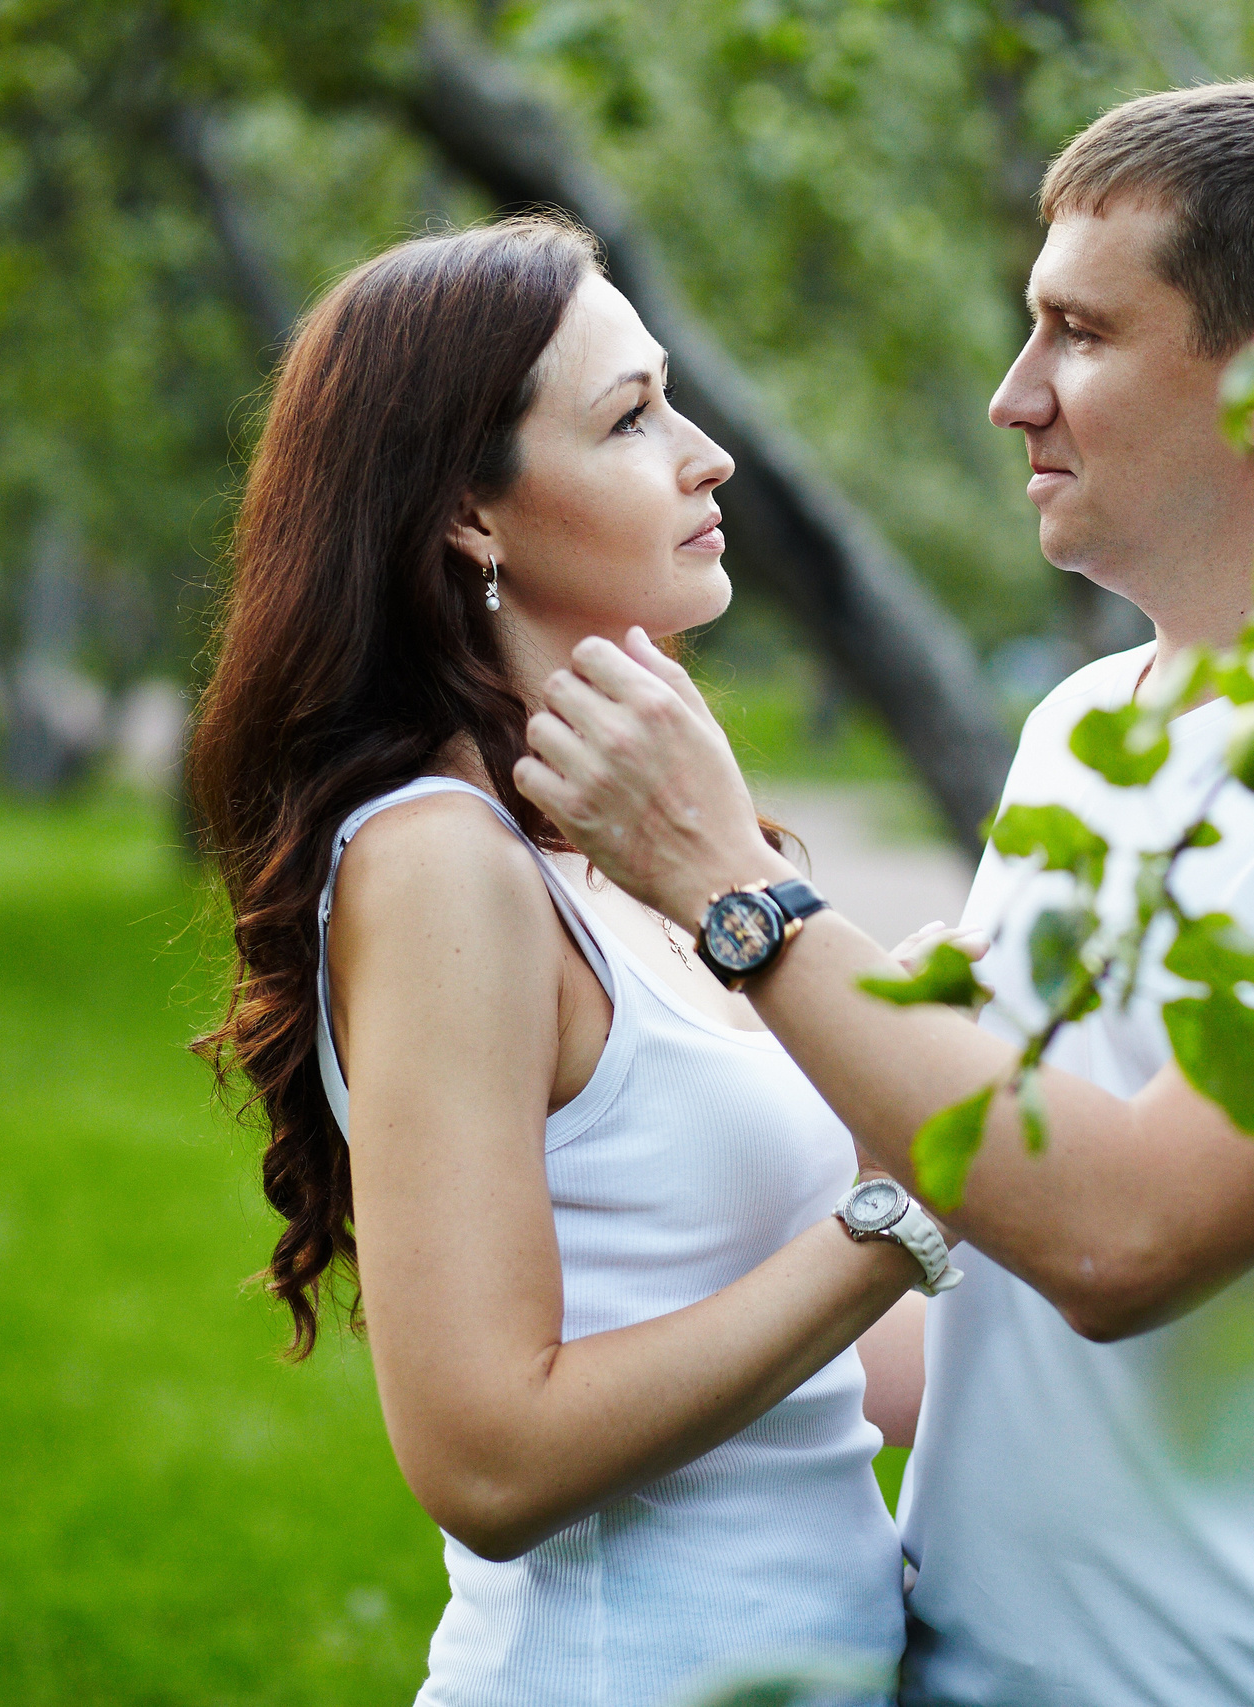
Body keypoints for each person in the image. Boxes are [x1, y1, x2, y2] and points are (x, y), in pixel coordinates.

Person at [513, 82, 1254, 1706]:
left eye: (1078, 335)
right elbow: (1001, 1241)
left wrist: (729, 888)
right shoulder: (1082, 731)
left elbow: (1121, 1236)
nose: (1010, 397)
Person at [188, 214, 964, 1707]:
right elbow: (486, 1456)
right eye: (629, 418)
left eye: (672, 396)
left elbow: (821, 1374)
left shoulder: (644, 849)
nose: (706, 453)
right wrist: (898, 1216)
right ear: (471, 516)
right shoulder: (441, 862)